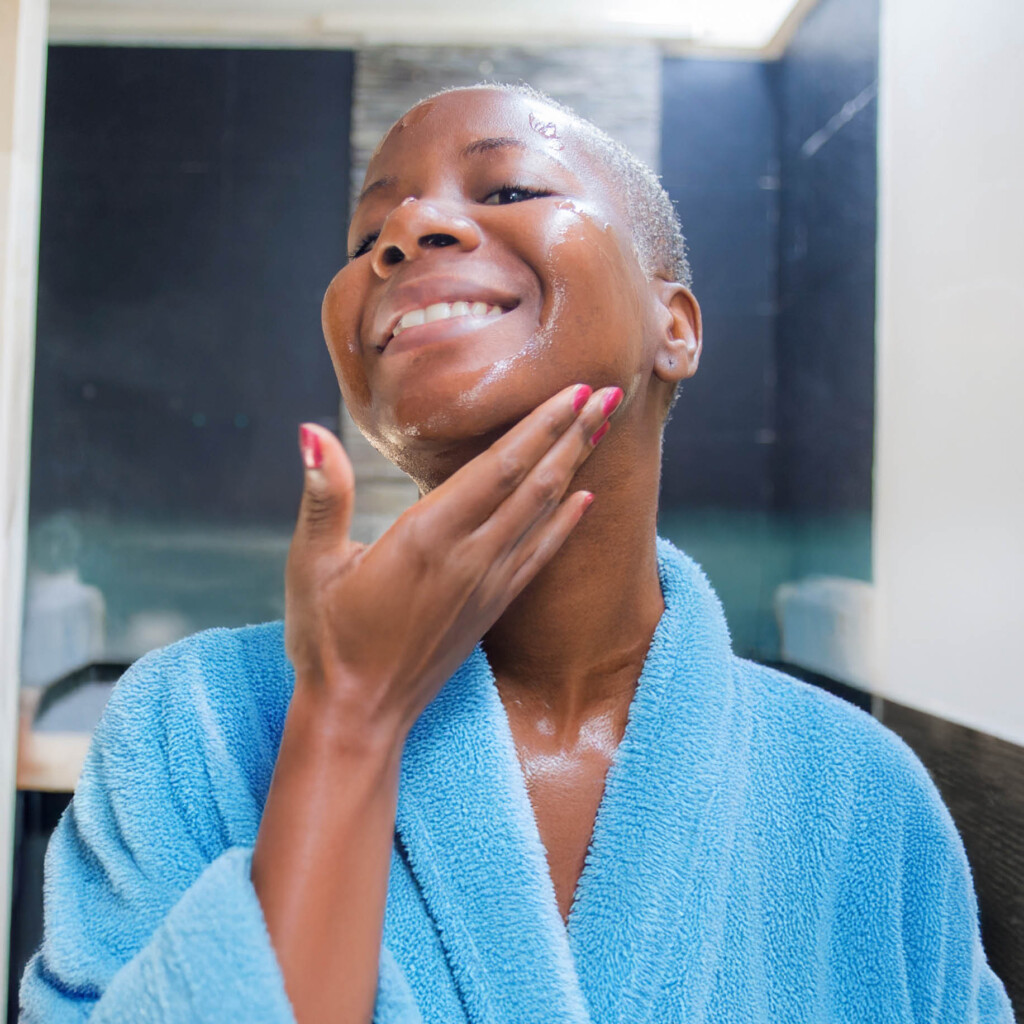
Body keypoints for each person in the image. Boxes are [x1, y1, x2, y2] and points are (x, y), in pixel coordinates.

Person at [20, 83, 1013, 1024]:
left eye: (506, 188)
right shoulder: (183, 726)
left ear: (674, 325)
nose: (403, 235)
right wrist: (348, 715)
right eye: (369, 236)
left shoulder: (857, 797)